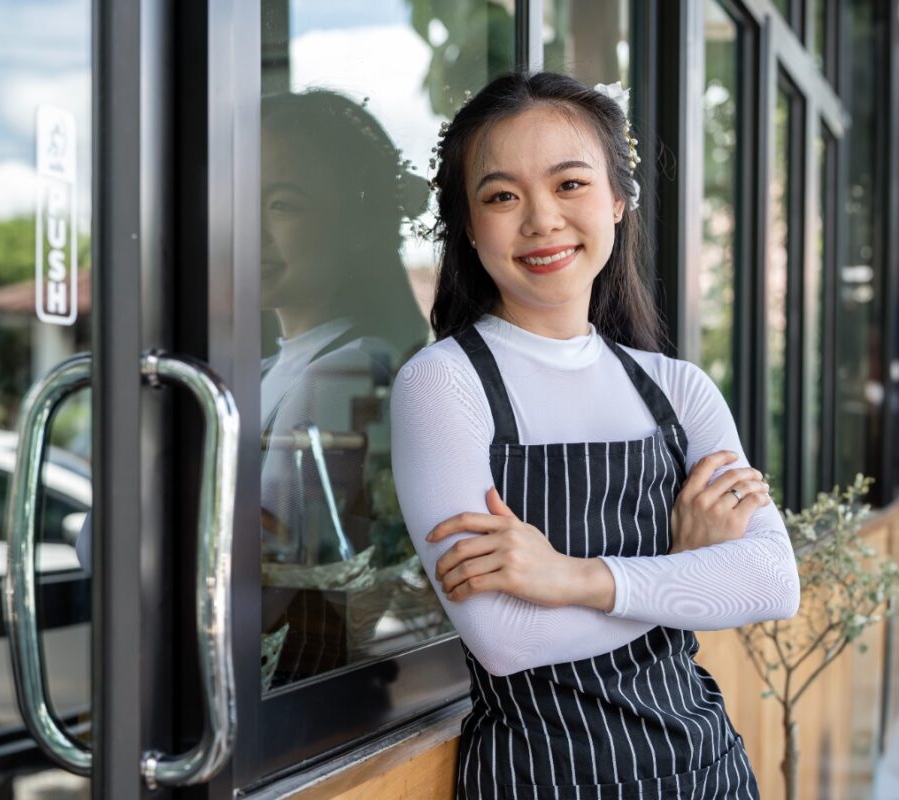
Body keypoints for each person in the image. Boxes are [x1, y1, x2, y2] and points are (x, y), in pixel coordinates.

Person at [390, 71, 800, 798]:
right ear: (469, 226)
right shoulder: (444, 383)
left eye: (570, 184)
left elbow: (770, 582)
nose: (541, 219)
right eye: (502, 196)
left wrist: (574, 576)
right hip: (544, 778)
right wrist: (685, 567)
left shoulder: (677, 388)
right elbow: (509, 640)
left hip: (707, 767)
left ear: (617, 200)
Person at [258, 90, 429, 568]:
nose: (249, 229)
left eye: (282, 205)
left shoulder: (346, 371)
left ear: (357, 226)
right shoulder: (267, 369)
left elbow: (266, 580)